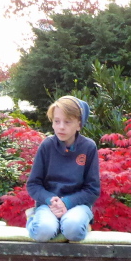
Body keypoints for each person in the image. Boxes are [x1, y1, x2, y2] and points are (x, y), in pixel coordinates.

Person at [26, 96, 100, 242]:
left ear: (79, 124)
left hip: (77, 204)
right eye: (56, 121)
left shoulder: (88, 147)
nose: (61, 127)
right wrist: (50, 200)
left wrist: (66, 202)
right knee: (43, 231)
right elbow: (33, 184)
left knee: (73, 229)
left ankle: (75, 224)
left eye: (67, 122)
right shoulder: (47, 146)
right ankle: (33, 219)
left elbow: (92, 189)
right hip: (49, 204)